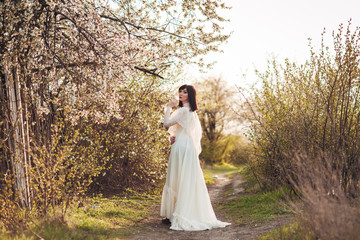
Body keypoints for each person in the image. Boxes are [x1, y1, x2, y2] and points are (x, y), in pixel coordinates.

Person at [160, 84, 231, 231]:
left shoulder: (183, 111)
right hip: (186, 147)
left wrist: (168, 107)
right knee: (186, 179)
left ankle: (175, 215)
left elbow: (166, 124)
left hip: (182, 148)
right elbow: (179, 131)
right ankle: (174, 213)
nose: (181, 94)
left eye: (184, 92)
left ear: (190, 95)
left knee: (177, 178)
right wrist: (172, 137)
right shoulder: (190, 112)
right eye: (180, 91)